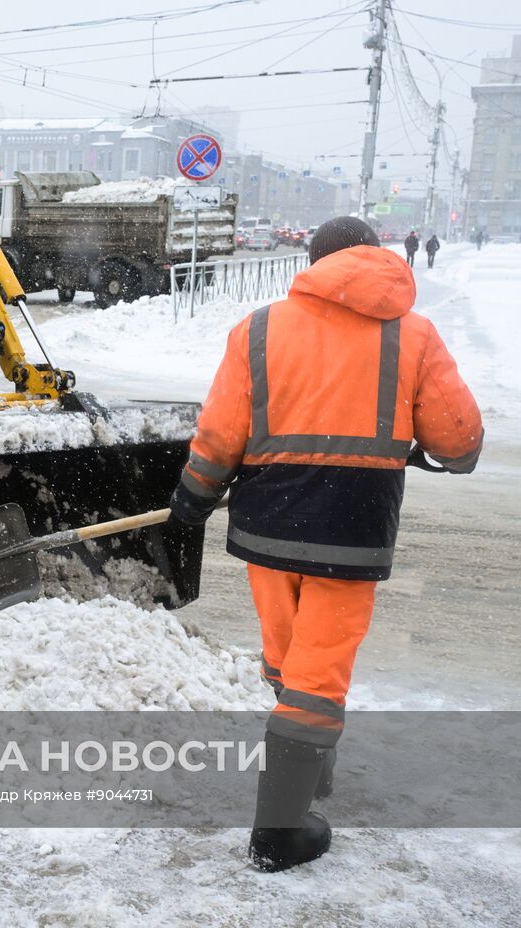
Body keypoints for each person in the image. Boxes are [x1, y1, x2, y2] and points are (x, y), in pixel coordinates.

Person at [167, 216, 483, 873]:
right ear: (375, 258)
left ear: (311, 264)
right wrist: (438, 449)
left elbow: (221, 432)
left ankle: (307, 764)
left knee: (289, 660)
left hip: (266, 527)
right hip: (350, 532)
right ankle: (279, 834)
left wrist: (193, 497)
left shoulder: (258, 329)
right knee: (316, 675)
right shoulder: (413, 334)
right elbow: (457, 439)